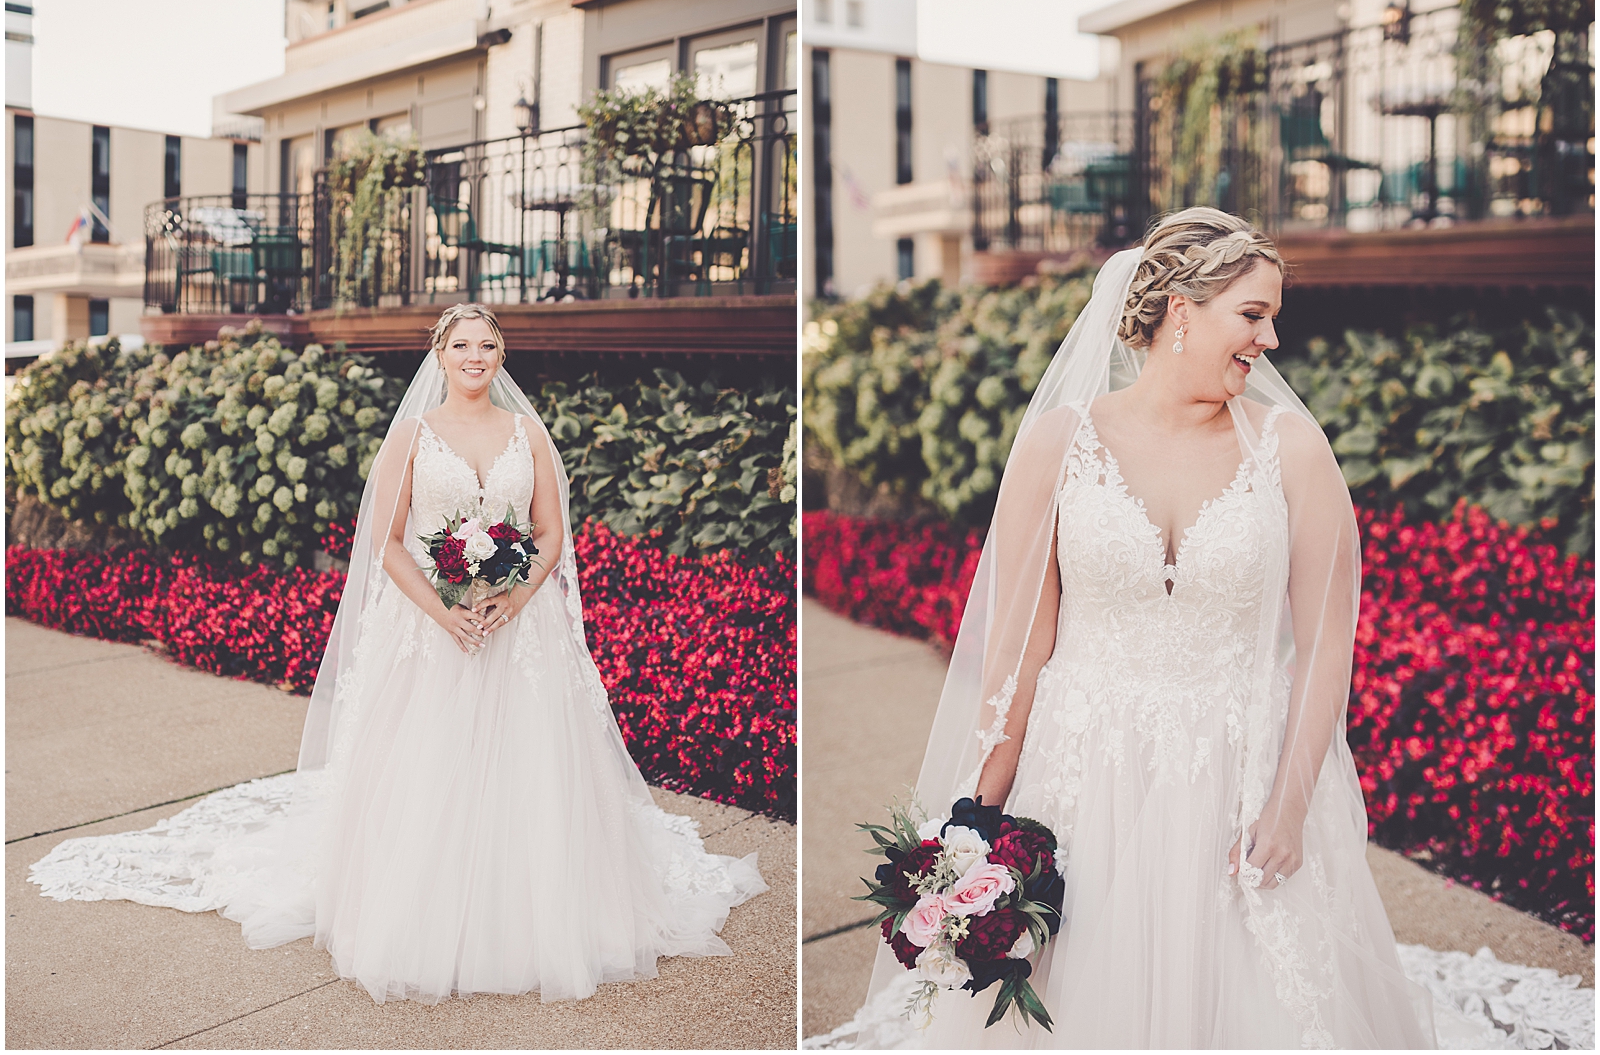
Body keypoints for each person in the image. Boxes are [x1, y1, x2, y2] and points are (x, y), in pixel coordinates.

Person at [29, 303, 768, 1005]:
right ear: (439, 355)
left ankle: (536, 907)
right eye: (460, 346)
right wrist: (447, 611)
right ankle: (422, 911)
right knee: (427, 769)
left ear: (500, 355)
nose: (474, 357)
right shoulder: (412, 437)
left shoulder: (528, 435)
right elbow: (384, 544)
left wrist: (513, 597)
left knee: (533, 766)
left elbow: (550, 533)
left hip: (520, 629)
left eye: (486, 345)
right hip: (430, 629)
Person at [824, 208, 1436, 1049]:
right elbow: (1019, 650)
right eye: (1253, 315)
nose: (1270, 340)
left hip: (1239, 774)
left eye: (1272, 318)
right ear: (1181, 311)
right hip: (1084, 777)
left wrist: (1290, 806)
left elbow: (1329, 644)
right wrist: (978, 819)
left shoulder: (1293, 451)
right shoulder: (1058, 445)